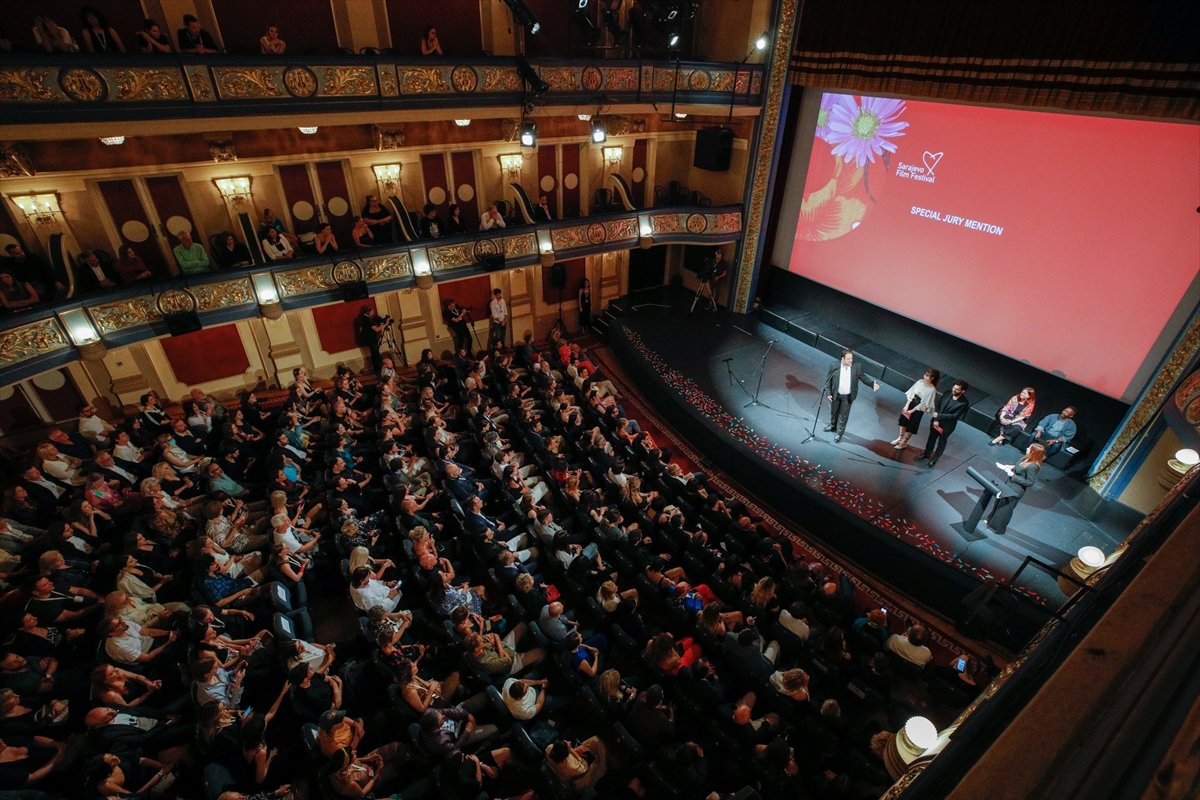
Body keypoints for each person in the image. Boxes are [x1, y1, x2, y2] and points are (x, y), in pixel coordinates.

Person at [985, 442, 1045, 534]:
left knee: (1004, 510)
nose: (1027, 448)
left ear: (1034, 452)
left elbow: (1029, 483)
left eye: (1030, 448)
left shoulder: (1033, 466)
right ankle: (990, 520)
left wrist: (1013, 475)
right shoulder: (1026, 459)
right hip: (1009, 484)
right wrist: (1010, 467)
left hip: (1015, 490)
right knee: (998, 503)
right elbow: (1020, 467)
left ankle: (996, 528)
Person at [822, 349, 880, 442]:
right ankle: (833, 425)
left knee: (843, 415)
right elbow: (828, 380)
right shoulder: (834, 366)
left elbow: (863, 377)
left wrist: (871, 384)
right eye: (848, 359)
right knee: (834, 412)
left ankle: (839, 433)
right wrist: (828, 392)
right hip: (835, 394)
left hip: (848, 397)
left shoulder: (856, 367)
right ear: (842, 359)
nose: (851, 361)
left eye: (851, 358)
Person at [917, 379, 969, 469]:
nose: (954, 390)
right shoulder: (947, 393)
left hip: (946, 426)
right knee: (931, 439)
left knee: (941, 443)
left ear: (962, 391)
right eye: (954, 388)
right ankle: (926, 454)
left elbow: (955, 416)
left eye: (957, 389)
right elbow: (938, 405)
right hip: (936, 421)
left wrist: (939, 416)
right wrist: (936, 419)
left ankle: (934, 460)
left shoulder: (964, 403)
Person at [894, 369, 940, 451]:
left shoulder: (932, 390)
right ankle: (900, 438)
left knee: (912, 425)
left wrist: (911, 411)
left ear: (932, 378)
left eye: (927, 376)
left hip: (918, 409)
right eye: (925, 375)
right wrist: (906, 405)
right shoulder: (920, 382)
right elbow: (912, 393)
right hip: (912, 403)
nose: (924, 377)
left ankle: (904, 442)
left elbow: (923, 404)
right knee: (903, 421)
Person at [356, 306, 389, 375]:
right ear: (368, 312)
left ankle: (377, 370)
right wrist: (386, 324)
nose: (373, 313)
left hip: (368, 340)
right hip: (372, 340)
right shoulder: (367, 320)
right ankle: (379, 371)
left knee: (374, 355)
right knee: (376, 356)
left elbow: (360, 329)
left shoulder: (362, 319)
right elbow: (376, 329)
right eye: (372, 311)